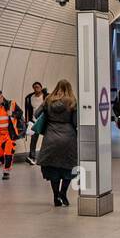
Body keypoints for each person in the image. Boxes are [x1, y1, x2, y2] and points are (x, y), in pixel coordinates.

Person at [36, 79, 78, 207]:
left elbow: (36, 113)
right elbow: (75, 122)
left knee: (53, 168)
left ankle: (55, 197)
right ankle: (63, 194)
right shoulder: (72, 102)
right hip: (68, 138)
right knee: (68, 167)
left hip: (51, 136)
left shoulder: (49, 100)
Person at [0, 89, 23, 180]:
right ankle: (5, 163)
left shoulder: (11, 104)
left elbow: (20, 113)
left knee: (8, 152)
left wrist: (13, 114)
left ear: (2, 97)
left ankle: (6, 171)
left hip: (9, 133)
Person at [24, 81, 47, 165]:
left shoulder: (46, 97)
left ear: (41, 87)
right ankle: (32, 157)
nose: (36, 89)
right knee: (33, 140)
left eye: (38, 87)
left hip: (44, 121)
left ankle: (46, 157)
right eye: (34, 87)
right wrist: (27, 120)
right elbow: (27, 110)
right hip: (34, 121)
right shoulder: (30, 97)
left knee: (47, 139)